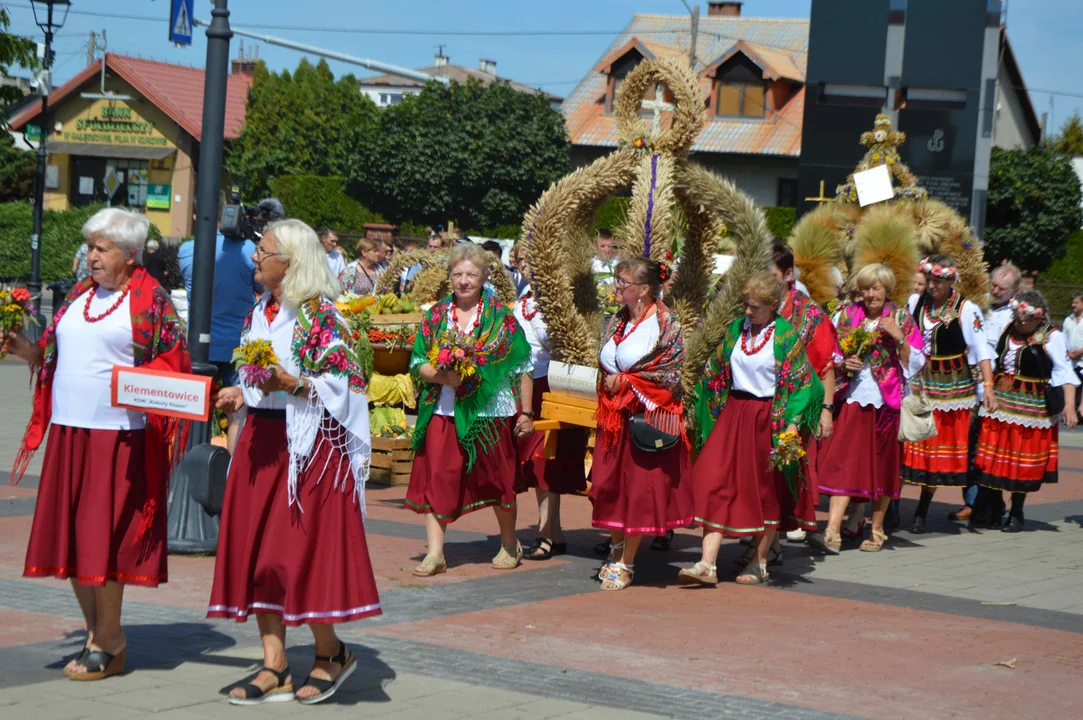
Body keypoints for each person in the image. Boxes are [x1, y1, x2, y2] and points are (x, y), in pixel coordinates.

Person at [7, 207, 190, 680]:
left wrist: (137, 383)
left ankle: (110, 638)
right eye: (90, 247)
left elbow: (175, 365)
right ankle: (97, 634)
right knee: (71, 538)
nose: (90, 256)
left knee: (105, 540)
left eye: (101, 248)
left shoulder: (153, 301)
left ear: (130, 255)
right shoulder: (79, 295)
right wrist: (29, 351)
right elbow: (56, 350)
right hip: (70, 431)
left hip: (120, 438)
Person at [208, 219, 380, 705]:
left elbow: (349, 384)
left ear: (293, 262)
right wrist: (238, 390)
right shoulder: (258, 313)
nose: (255, 258)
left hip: (306, 448)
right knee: (258, 551)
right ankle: (274, 664)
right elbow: (254, 371)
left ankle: (331, 653)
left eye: (263, 251)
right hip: (260, 440)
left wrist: (295, 384)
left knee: (299, 552)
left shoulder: (321, 316)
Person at [680, 272, 823, 586]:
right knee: (713, 479)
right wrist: (694, 405)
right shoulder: (735, 329)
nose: (747, 311)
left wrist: (792, 425)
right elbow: (714, 370)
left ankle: (759, 563)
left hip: (767, 419)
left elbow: (803, 384)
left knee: (763, 490)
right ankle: (707, 563)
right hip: (732, 414)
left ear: (773, 305)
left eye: (754, 307)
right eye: (745, 304)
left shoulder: (785, 336)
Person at [405, 243, 534, 575]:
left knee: (498, 479)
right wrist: (442, 376)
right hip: (442, 411)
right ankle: (435, 553)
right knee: (439, 477)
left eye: (471, 274)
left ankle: (509, 544)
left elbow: (522, 366)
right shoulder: (435, 316)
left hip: (490, 413)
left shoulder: (501, 319)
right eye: (457, 274)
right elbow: (417, 360)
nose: (463, 281)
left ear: (484, 277)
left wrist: (527, 413)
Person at [807, 264, 924, 554]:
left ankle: (878, 528)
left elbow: (919, 362)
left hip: (888, 404)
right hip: (851, 398)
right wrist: (843, 364)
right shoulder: (847, 315)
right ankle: (832, 531)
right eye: (865, 288)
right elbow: (829, 354)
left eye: (876, 288)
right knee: (842, 462)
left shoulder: (900, 317)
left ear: (887, 290)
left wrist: (898, 337)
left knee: (881, 468)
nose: (869, 294)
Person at [591, 257, 692, 591]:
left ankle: (626, 561)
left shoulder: (666, 324)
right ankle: (616, 546)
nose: (617, 286)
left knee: (636, 490)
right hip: (612, 419)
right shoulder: (616, 321)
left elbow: (671, 374)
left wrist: (629, 383)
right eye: (617, 280)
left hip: (643, 419)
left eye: (624, 282)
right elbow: (605, 363)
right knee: (609, 486)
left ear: (645, 290)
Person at [971, 291, 1079, 532]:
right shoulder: (1009, 328)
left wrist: (1069, 405)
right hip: (1000, 402)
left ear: (1038, 319)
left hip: (1031, 406)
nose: (1019, 324)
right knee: (995, 457)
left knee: (1020, 459)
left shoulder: (1052, 336)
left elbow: (1065, 372)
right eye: (1017, 319)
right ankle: (994, 508)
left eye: (1024, 321)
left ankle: (1017, 511)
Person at [903, 254, 996, 533]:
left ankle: (922, 510)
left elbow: (981, 349)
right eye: (929, 280)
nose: (931, 286)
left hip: (951, 389)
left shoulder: (967, 310)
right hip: (919, 382)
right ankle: (895, 507)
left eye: (938, 281)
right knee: (909, 445)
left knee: (933, 450)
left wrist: (988, 387)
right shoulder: (914, 302)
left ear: (951, 280)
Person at [179, 204, 276, 452]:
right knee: (237, 413)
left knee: (194, 411)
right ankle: (231, 472)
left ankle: (189, 463)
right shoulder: (248, 252)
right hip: (236, 346)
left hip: (199, 347)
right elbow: (261, 290)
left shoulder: (188, 250)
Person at [513, 276, 588, 560]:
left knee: (543, 460)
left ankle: (544, 533)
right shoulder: (520, 303)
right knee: (537, 464)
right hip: (522, 386)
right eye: (522, 261)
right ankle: (554, 531)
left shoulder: (563, 302)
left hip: (553, 385)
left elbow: (573, 345)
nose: (526, 267)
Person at [771, 243, 837, 545]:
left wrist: (826, 409)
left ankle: (789, 519)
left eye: (770, 274)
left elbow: (825, 365)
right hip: (761, 400)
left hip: (798, 401)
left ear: (787, 275)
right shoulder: (755, 307)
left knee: (791, 462)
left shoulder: (810, 313)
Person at [950, 263, 1022, 522]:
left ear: (1015, 290)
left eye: (1002, 288)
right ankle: (972, 501)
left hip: (998, 390)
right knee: (968, 446)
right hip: (970, 385)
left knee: (990, 450)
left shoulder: (1017, 316)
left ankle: (992, 504)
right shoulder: (979, 308)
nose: (995, 291)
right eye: (993, 285)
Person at [1064, 291, 1083, 388]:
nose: (1073, 305)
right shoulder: (1068, 319)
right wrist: (1067, 352)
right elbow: (1063, 339)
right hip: (1070, 363)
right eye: (1072, 302)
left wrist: (1079, 352)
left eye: (1076, 302)